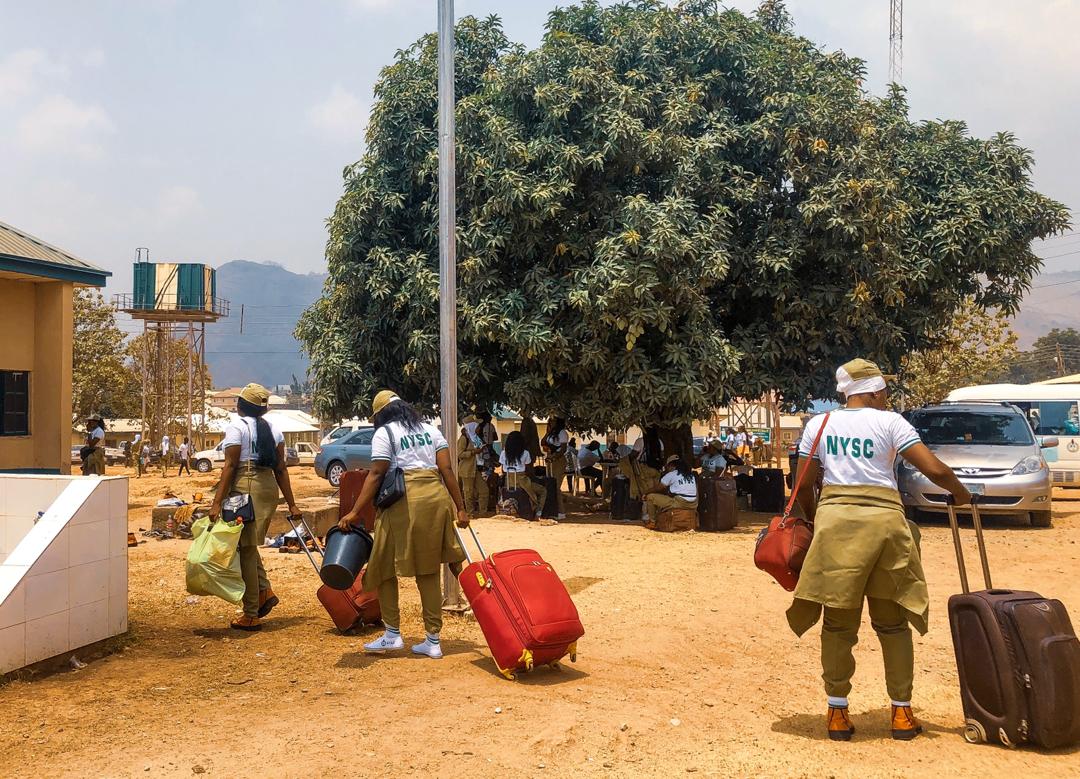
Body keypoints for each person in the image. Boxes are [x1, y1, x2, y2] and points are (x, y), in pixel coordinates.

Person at [788, 359, 972, 742]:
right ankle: (902, 715)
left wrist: (811, 520)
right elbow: (934, 469)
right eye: (883, 389)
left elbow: (803, 484)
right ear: (871, 389)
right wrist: (961, 493)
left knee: (838, 625)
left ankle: (837, 714)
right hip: (886, 527)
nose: (886, 394)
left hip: (836, 527)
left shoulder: (820, 425)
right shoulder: (891, 423)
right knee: (891, 624)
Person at [340, 390, 468, 658]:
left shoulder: (385, 434)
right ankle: (433, 640)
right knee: (429, 570)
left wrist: (354, 512)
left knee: (384, 566)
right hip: (435, 499)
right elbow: (446, 470)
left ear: (381, 414)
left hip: (403, 500)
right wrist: (461, 508)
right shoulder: (430, 430)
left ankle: (392, 634)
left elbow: (376, 473)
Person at [209, 384, 301, 631]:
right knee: (247, 545)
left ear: (241, 406)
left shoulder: (236, 427)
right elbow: (281, 468)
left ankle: (251, 614)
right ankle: (264, 591)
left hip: (245, 486)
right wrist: (292, 504)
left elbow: (229, 466)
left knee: (246, 549)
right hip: (268, 488)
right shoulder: (274, 429)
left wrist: (216, 502)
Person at [498, 430, 546, 517]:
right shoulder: (525, 453)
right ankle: (538, 512)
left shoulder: (503, 453)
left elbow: (503, 470)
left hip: (508, 481)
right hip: (523, 482)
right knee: (543, 490)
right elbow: (529, 470)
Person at [642, 454, 698, 522]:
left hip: (680, 502)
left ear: (671, 465)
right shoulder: (690, 474)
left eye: (667, 466)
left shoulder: (672, 474)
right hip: (693, 504)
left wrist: (646, 492)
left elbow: (658, 488)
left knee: (650, 497)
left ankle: (652, 522)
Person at [619, 425, 664, 500]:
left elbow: (633, 455)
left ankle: (644, 506)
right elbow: (662, 456)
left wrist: (624, 460)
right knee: (655, 490)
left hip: (644, 470)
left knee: (645, 490)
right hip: (656, 470)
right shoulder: (659, 441)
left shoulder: (640, 441)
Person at [541, 417, 569, 520]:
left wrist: (554, 457)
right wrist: (548, 432)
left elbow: (563, 449)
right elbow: (543, 442)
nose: (550, 422)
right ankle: (552, 510)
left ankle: (561, 512)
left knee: (556, 485)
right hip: (550, 460)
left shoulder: (562, 433)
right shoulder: (551, 433)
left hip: (558, 460)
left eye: (552, 421)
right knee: (550, 485)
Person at [460, 416, 488, 515]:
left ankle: (482, 513)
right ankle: (470, 514)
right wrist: (473, 452)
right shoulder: (464, 439)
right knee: (468, 492)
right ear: (472, 426)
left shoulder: (476, 438)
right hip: (467, 469)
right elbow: (459, 454)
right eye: (477, 426)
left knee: (484, 490)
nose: (479, 428)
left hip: (477, 468)